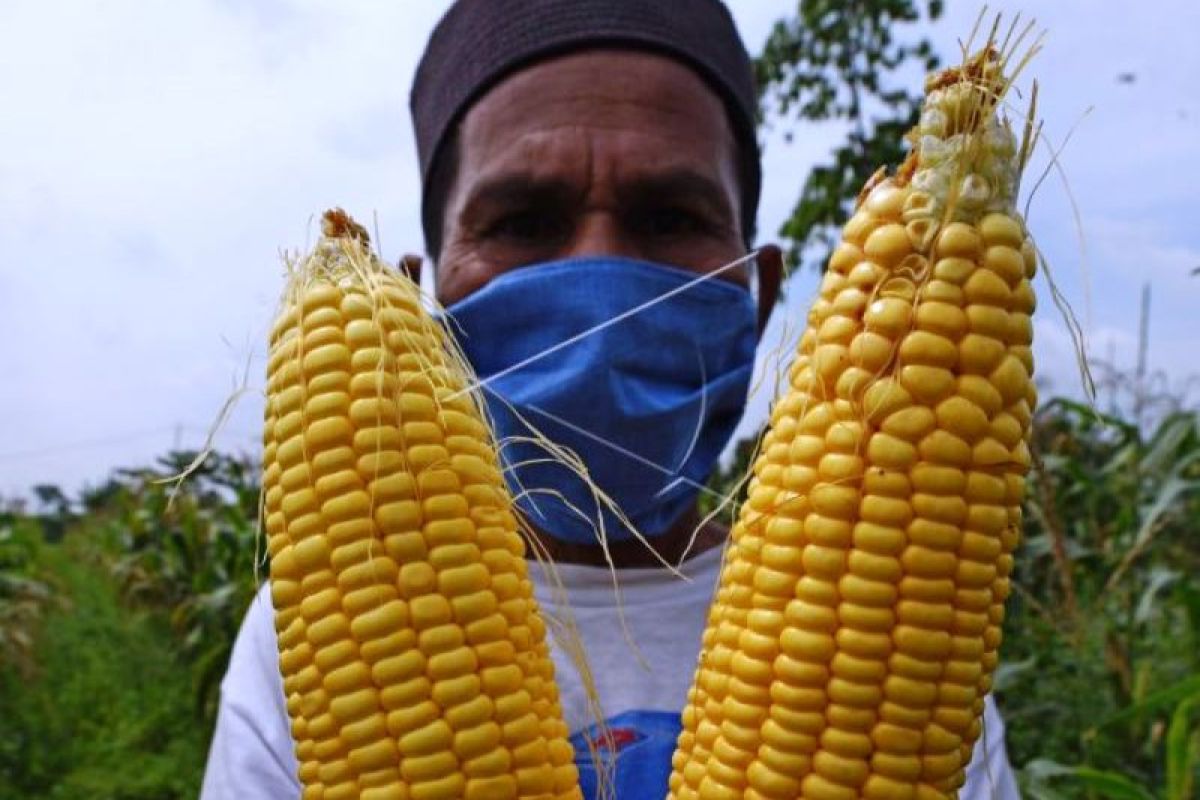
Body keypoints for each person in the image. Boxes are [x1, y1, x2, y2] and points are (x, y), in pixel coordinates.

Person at [201, 1, 1021, 797]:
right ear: (426, 310)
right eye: (524, 221)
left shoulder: (917, 654)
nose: (603, 283)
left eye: (669, 217)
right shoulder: (299, 651)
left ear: (759, 295)